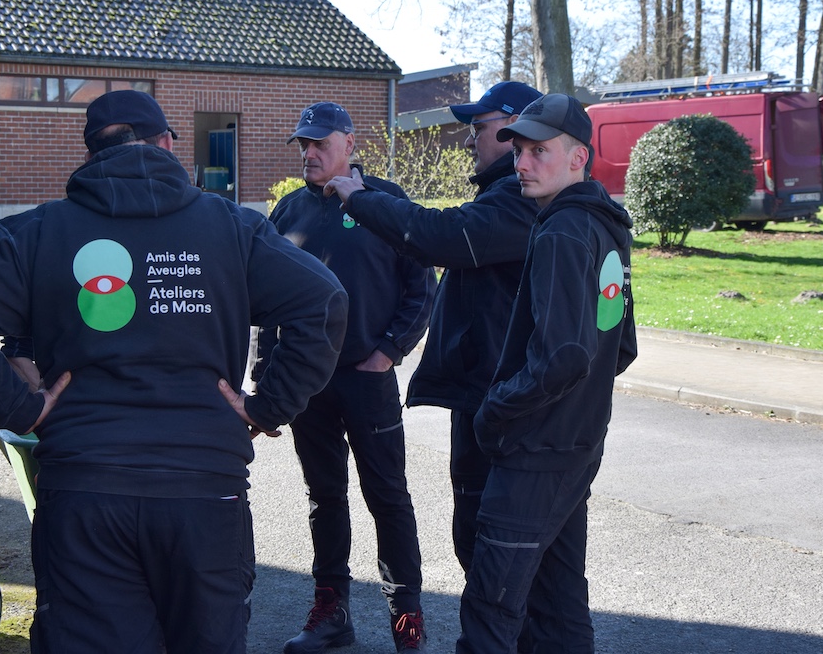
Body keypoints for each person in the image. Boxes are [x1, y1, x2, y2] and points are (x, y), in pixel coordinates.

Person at [0, 90, 348, 654]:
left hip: (83, 495)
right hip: (204, 496)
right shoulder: (231, 229)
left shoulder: (41, 233)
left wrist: (20, 407)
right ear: (168, 143)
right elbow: (324, 302)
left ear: (92, 154)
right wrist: (270, 405)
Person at [322, 80, 542, 572]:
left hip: (499, 399)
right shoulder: (506, 195)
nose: (469, 139)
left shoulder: (519, 199)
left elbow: (439, 238)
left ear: (514, 128)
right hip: (484, 394)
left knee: (492, 550)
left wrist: (360, 200)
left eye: (478, 127)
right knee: (482, 542)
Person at [453, 93, 637, 653]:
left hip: (536, 453)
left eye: (539, 151)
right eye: (518, 151)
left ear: (579, 156)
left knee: (490, 610)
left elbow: (564, 357)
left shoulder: (561, 231)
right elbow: (620, 345)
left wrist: (495, 409)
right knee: (558, 608)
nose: (522, 164)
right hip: (575, 446)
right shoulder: (605, 225)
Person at [255, 101, 436, 653]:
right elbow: (265, 304)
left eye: (320, 144)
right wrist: (269, 381)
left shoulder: (385, 204)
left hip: (368, 379)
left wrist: (388, 352)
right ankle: (331, 613)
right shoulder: (286, 213)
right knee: (324, 496)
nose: (309, 153)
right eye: (303, 145)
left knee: (388, 496)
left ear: (350, 144)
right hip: (308, 385)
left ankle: (406, 618)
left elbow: (421, 286)